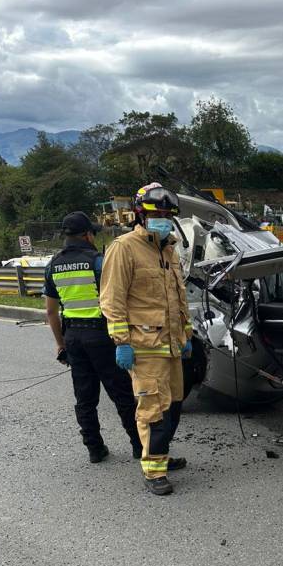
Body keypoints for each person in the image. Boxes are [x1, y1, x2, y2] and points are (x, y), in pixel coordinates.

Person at [99, 183, 192, 497]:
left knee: (174, 406)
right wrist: (121, 341)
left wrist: (186, 333)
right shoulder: (124, 248)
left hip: (173, 346)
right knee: (154, 410)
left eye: (168, 214)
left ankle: (161, 454)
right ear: (140, 214)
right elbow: (111, 300)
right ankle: (153, 469)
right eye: (157, 213)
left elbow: (179, 300)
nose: (163, 218)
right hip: (144, 346)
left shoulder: (170, 249)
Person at [44, 211, 141, 463]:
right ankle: (139, 446)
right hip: (102, 334)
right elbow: (116, 298)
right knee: (122, 393)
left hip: (73, 336)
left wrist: (60, 345)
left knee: (85, 398)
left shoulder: (53, 265)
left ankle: (94, 449)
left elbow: (51, 311)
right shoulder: (98, 261)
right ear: (87, 235)